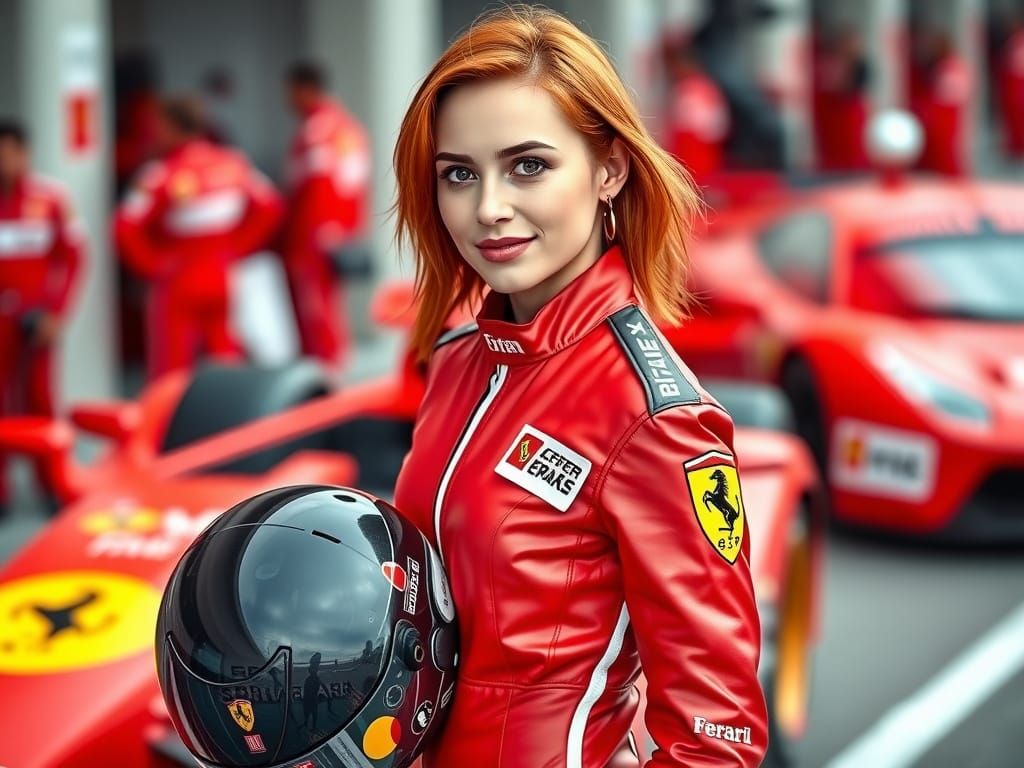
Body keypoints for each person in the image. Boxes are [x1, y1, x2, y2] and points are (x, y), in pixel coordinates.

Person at [392, 7, 767, 767]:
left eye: (528, 165)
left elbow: (719, 736)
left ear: (609, 169)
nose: (489, 207)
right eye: (460, 173)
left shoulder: (658, 417)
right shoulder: (461, 360)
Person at [114, 96, 283, 378]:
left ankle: (171, 422)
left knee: (171, 369)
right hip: (222, 276)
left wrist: (153, 265)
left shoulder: (159, 174)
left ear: (170, 127)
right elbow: (272, 207)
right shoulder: (233, 162)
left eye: (158, 126)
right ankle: (232, 420)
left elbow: (123, 227)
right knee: (225, 358)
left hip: (178, 282)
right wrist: (236, 249)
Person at [0, 119, 85, 514]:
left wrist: (56, 312)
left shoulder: (51, 198)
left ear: (25, 153)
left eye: (10, 151)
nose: (4, 160)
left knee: (40, 402)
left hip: (36, 321)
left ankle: (51, 483)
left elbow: (72, 258)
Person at [282, 61, 371, 370]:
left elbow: (318, 187)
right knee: (329, 304)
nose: (288, 100)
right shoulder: (348, 127)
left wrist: (316, 231)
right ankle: (333, 367)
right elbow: (356, 185)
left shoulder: (317, 131)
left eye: (290, 92)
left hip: (314, 231)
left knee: (314, 306)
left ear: (304, 89)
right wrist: (347, 227)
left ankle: (324, 376)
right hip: (338, 229)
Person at [663, 37, 730, 186]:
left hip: (697, 154)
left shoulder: (696, 88)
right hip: (690, 155)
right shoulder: (696, 87)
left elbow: (716, 126)